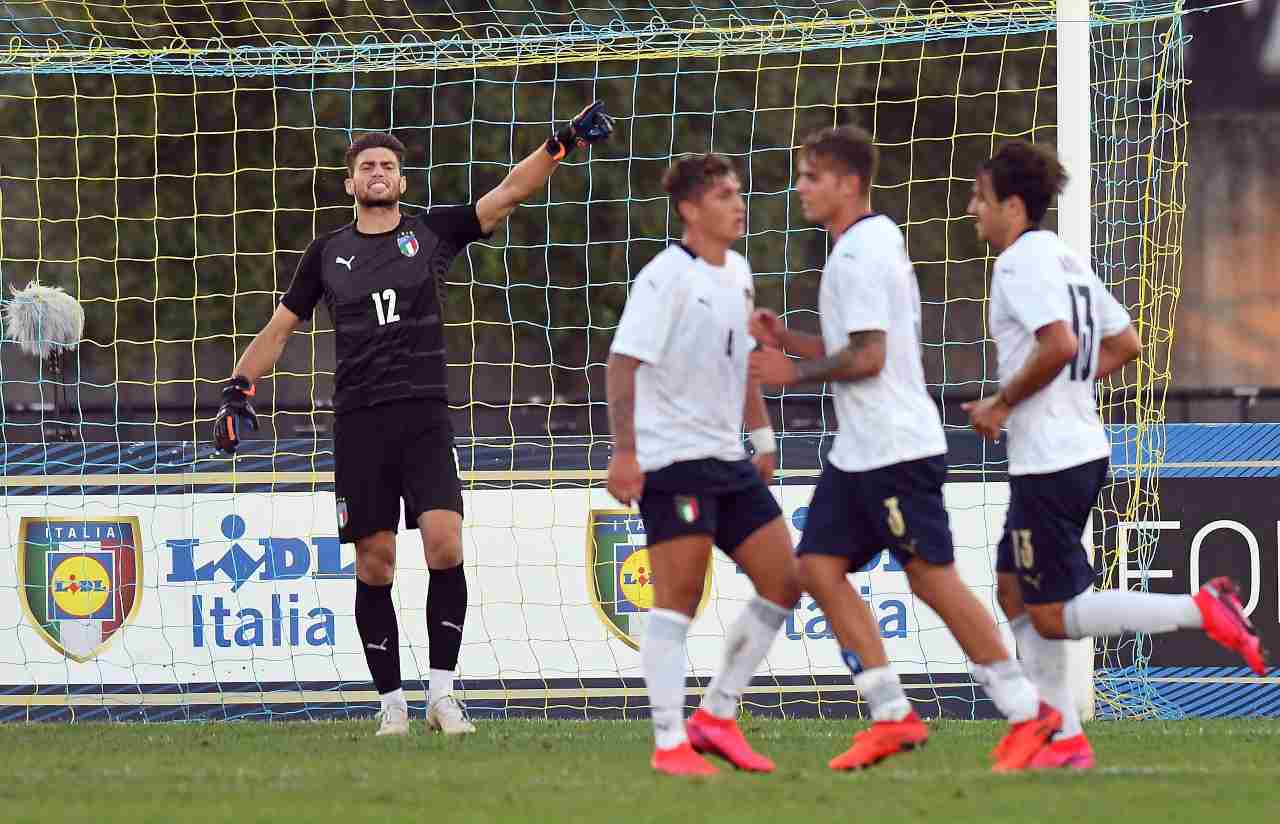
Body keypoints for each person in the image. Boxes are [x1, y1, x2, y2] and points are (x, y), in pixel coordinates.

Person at [212, 103, 615, 736]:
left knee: (445, 544)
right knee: (375, 563)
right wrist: (239, 388)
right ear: (350, 183)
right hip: (360, 422)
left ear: (402, 182)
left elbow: (508, 192)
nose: (377, 173)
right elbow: (280, 327)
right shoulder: (326, 253)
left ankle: (443, 696)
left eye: (388, 166)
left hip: (424, 415)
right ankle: (391, 704)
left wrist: (561, 143)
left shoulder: (432, 233)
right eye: (366, 166)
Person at [749, 126, 1059, 773]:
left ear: (847, 183)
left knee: (928, 576)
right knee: (816, 569)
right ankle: (891, 714)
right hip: (860, 451)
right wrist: (794, 341)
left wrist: (793, 374)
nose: (800, 187)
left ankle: (1030, 712)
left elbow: (870, 357)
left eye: (811, 176)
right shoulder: (865, 243)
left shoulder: (860, 254)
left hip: (892, 447)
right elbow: (860, 346)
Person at [964, 139, 1267, 769]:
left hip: (1050, 458)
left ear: (1014, 206)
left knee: (1049, 613)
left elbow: (1056, 344)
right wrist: (1067, 387)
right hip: (1075, 447)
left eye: (980, 198)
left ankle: (1198, 608)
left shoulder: (1019, 264)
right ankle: (1064, 737)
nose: (972, 209)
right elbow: (1125, 341)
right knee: (1012, 588)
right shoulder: (1063, 258)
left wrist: (1003, 404)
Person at [606, 153, 802, 777]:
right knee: (678, 601)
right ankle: (670, 744)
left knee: (785, 580)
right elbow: (622, 365)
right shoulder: (664, 277)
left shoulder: (740, 271)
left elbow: (742, 359)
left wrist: (763, 437)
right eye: (723, 195)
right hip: (673, 462)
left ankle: (716, 715)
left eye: (739, 194)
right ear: (691, 209)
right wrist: (627, 452)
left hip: (729, 460)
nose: (738, 204)